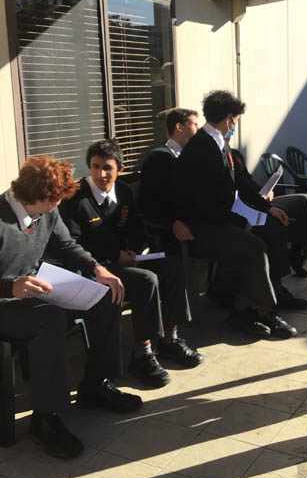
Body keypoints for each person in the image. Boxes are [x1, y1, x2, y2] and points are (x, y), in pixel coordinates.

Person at [0, 156, 142, 459]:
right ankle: (45, 418)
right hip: (5, 303)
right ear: (34, 195)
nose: (56, 206)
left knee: (105, 296)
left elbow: (66, 245)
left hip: (32, 292)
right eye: (53, 201)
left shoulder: (47, 213)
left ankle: (96, 384)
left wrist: (96, 268)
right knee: (49, 318)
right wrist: (9, 287)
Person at [60, 139, 202, 390]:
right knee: (146, 280)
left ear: (120, 169)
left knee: (171, 267)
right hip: (95, 269)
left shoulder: (123, 192)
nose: (101, 174)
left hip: (124, 261)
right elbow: (73, 243)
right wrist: (116, 255)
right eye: (95, 167)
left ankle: (170, 338)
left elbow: (136, 227)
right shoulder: (76, 197)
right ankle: (142, 354)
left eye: (108, 167)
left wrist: (135, 250)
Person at [175, 90, 297, 339]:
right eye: (236, 120)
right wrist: (241, 222)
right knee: (253, 246)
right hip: (202, 227)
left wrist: (267, 208)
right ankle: (263, 310)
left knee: (274, 227)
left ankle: (270, 293)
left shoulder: (219, 143)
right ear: (230, 118)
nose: (235, 126)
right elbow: (204, 203)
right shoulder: (202, 147)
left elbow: (241, 180)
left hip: (221, 219)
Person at [208, 148, 307, 311]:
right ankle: (277, 290)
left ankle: (295, 257)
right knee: (276, 223)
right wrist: (261, 204)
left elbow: (247, 182)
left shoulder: (233, 154)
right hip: (244, 209)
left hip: (259, 203)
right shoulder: (211, 157)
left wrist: (265, 194)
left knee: (305, 201)